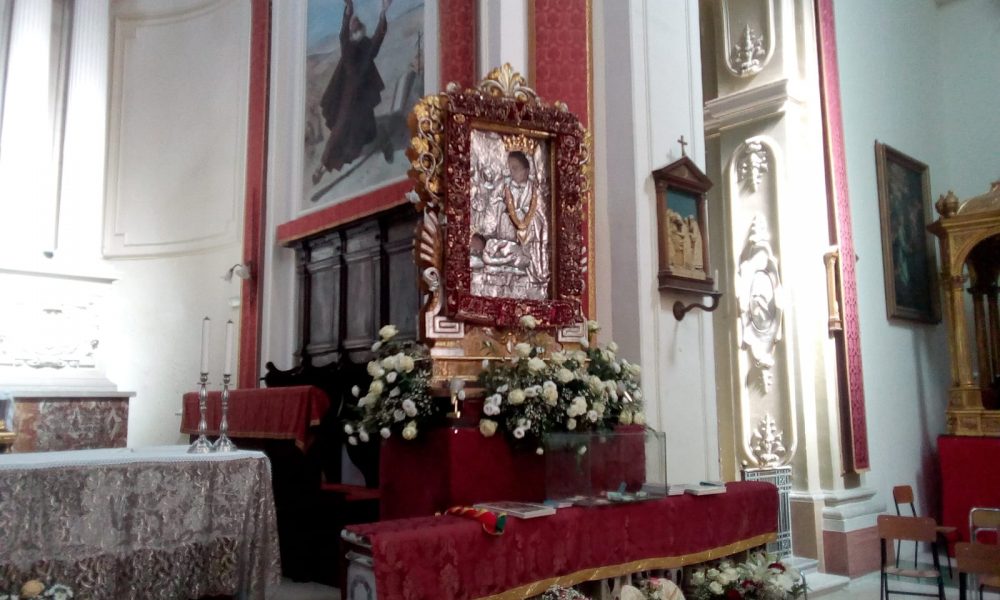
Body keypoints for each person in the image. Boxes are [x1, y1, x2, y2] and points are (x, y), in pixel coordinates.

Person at [313, 0, 393, 184]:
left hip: (364, 98)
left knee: (367, 130)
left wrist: (383, 14)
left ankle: (383, 146)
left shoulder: (366, 46)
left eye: (358, 25)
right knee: (340, 132)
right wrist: (349, 10)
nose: (356, 27)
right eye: (353, 25)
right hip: (348, 99)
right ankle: (323, 167)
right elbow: (342, 35)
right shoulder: (348, 47)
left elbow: (378, 38)